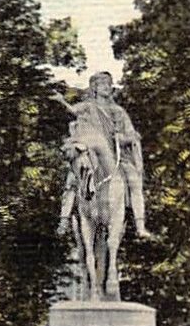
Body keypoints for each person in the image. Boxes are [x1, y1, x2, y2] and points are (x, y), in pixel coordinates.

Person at [58, 71, 150, 241]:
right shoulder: (87, 107)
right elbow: (72, 111)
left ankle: (140, 224)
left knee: (134, 182)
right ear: (94, 88)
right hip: (90, 154)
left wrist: (122, 138)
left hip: (117, 157)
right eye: (102, 84)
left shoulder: (118, 112)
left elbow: (132, 135)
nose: (107, 87)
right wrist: (61, 101)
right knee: (72, 180)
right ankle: (64, 218)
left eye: (109, 84)